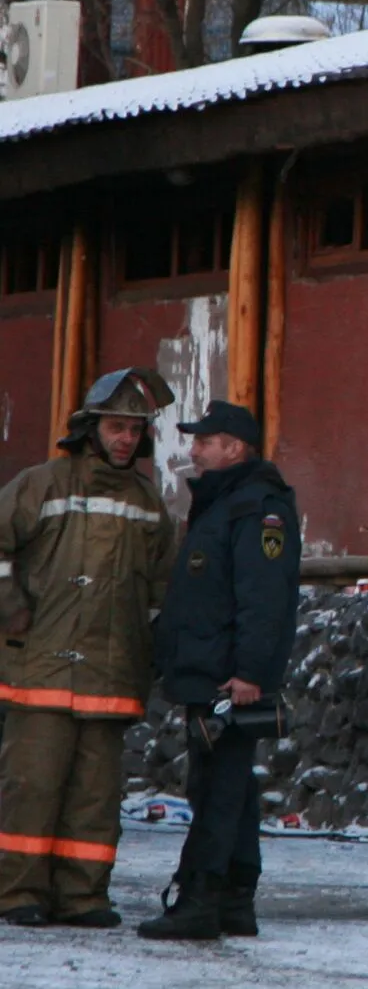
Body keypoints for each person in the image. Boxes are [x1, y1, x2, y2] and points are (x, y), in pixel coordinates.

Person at [0, 369, 176, 928]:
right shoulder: (41, 484)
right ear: (90, 428)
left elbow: (161, 587)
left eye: (134, 429)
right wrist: (12, 610)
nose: (126, 438)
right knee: (31, 787)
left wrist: (152, 648)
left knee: (95, 799)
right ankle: (17, 893)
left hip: (110, 677)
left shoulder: (149, 503)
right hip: (38, 666)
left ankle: (84, 897)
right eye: (116, 427)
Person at [139, 401, 301, 941]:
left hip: (229, 680)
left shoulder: (256, 508)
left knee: (216, 788)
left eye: (204, 440)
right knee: (231, 786)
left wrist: (251, 672)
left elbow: (264, 599)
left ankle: (201, 900)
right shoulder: (225, 502)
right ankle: (234, 898)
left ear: (233, 448)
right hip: (212, 672)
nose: (194, 448)